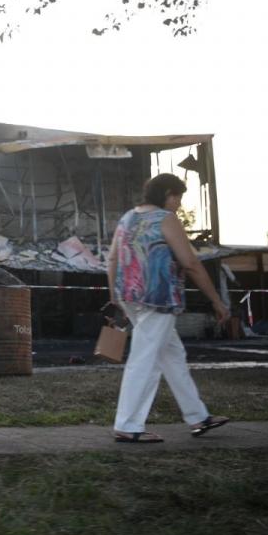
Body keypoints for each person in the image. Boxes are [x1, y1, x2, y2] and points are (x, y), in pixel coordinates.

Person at [106, 173, 231, 443]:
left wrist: (114, 293)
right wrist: (216, 300)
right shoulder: (165, 218)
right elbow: (190, 263)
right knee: (145, 359)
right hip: (157, 298)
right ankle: (127, 424)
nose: (179, 204)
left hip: (131, 296)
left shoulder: (128, 217)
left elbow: (113, 257)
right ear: (167, 194)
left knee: (172, 355)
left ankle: (197, 416)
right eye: (178, 197)